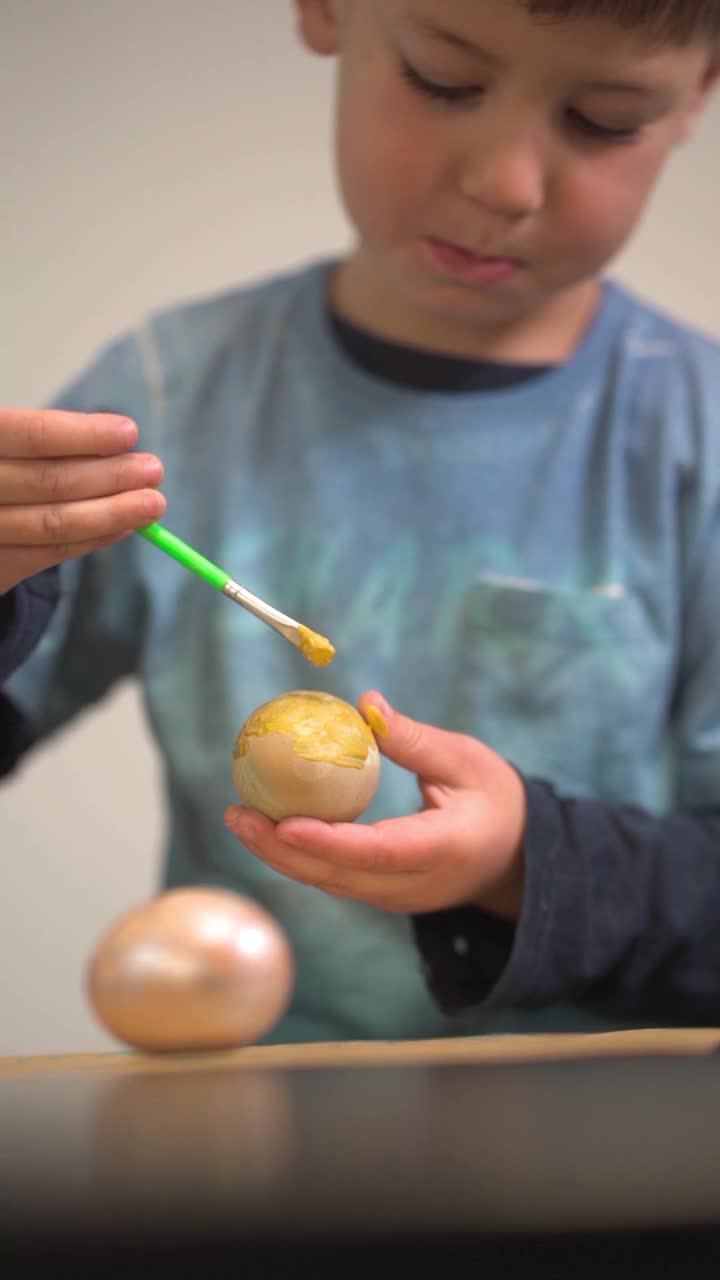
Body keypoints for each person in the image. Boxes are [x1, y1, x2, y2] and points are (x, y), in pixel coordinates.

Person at [2, 0, 720, 1041]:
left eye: (603, 121)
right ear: (328, 10)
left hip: (621, 1160)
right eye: (443, 80)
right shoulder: (168, 396)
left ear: (700, 90)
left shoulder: (697, 440)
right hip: (252, 1153)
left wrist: (532, 863)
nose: (504, 184)